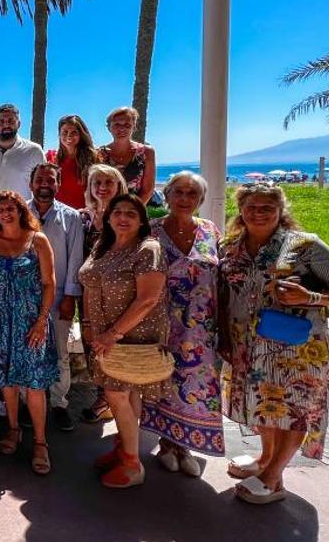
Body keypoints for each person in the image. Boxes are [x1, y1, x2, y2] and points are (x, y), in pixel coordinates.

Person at [219, 183, 329, 505]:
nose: (259, 212)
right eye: (252, 206)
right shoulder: (231, 247)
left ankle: (274, 477)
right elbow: (224, 293)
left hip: (295, 348)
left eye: (268, 207)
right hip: (247, 345)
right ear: (241, 209)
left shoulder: (305, 245)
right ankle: (265, 459)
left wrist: (311, 297)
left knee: (293, 408)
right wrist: (223, 334)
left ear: (281, 211)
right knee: (265, 406)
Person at [138, 171, 224, 476]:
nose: (185, 199)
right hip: (161, 325)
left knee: (195, 387)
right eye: (179, 193)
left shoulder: (211, 231)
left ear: (200, 200)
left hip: (201, 329)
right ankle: (166, 443)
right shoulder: (152, 231)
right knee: (163, 383)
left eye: (192, 194)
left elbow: (223, 278)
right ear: (168, 195)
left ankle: (185, 445)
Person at [79, 194, 168, 489]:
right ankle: (124, 447)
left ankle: (132, 463)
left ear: (142, 220)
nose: (123, 217)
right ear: (108, 218)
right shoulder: (103, 246)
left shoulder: (147, 249)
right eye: (117, 212)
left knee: (118, 394)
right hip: (105, 334)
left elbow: (148, 299)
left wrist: (112, 334)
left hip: (131, 334)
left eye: (131, 213)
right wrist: (92, 327)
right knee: (124, 394)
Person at [0, 191, 58, 474]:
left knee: (35, 384)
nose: (6, 214)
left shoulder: (38, 240)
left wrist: (41, 320)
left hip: (31, 322)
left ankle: (40, 442)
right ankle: (12, 428)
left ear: (21, 211)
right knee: (7, 380)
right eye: (1, 210)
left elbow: (49, 283)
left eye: (11, 208)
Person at [22, 163, 85, 432]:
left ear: (58, 184)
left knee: (59, 353)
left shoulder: (71, 217)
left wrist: (71, 295)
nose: (44, 184)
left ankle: (59, 403)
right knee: (27, 351)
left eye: (50, 179)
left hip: (59, 297)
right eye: (40, 179)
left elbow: (75, 259)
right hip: (25, 297)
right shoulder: (19, 212)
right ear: (31, 183)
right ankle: (27, 403)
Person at [78, 164, 129, 424]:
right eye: (97, 182)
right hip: (87, 292)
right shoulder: (82, 217)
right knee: (91, 342)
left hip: (117, 293)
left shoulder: (126, 216)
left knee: (115, 340)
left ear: (119, 185)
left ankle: (115, 397)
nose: (102, 187)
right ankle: (103, 394)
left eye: (109, 182)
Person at [0, 104, 45, 203]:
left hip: (22, 215)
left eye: (11, 121)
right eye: (1, 121)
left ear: (19, 124)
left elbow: (42, 185)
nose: (6, 125)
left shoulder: (34, 151)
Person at [97, 107, 157, 205]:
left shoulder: (146, 152)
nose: (122, 128)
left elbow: (148, 190)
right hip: (105, 211)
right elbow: (95, 188)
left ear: (134, 127)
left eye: (127, 125)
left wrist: (132, 211)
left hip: (135, 212)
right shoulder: (99, 154)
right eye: (117, 124)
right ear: (109, 127)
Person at [47, 115, 99, 210]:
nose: (69, 136)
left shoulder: (94, 158)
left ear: (81, 135)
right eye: (64, 132)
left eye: (74, 132)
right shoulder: (50, 157)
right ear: (59, 134)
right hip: (57, 215)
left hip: (84, 216)